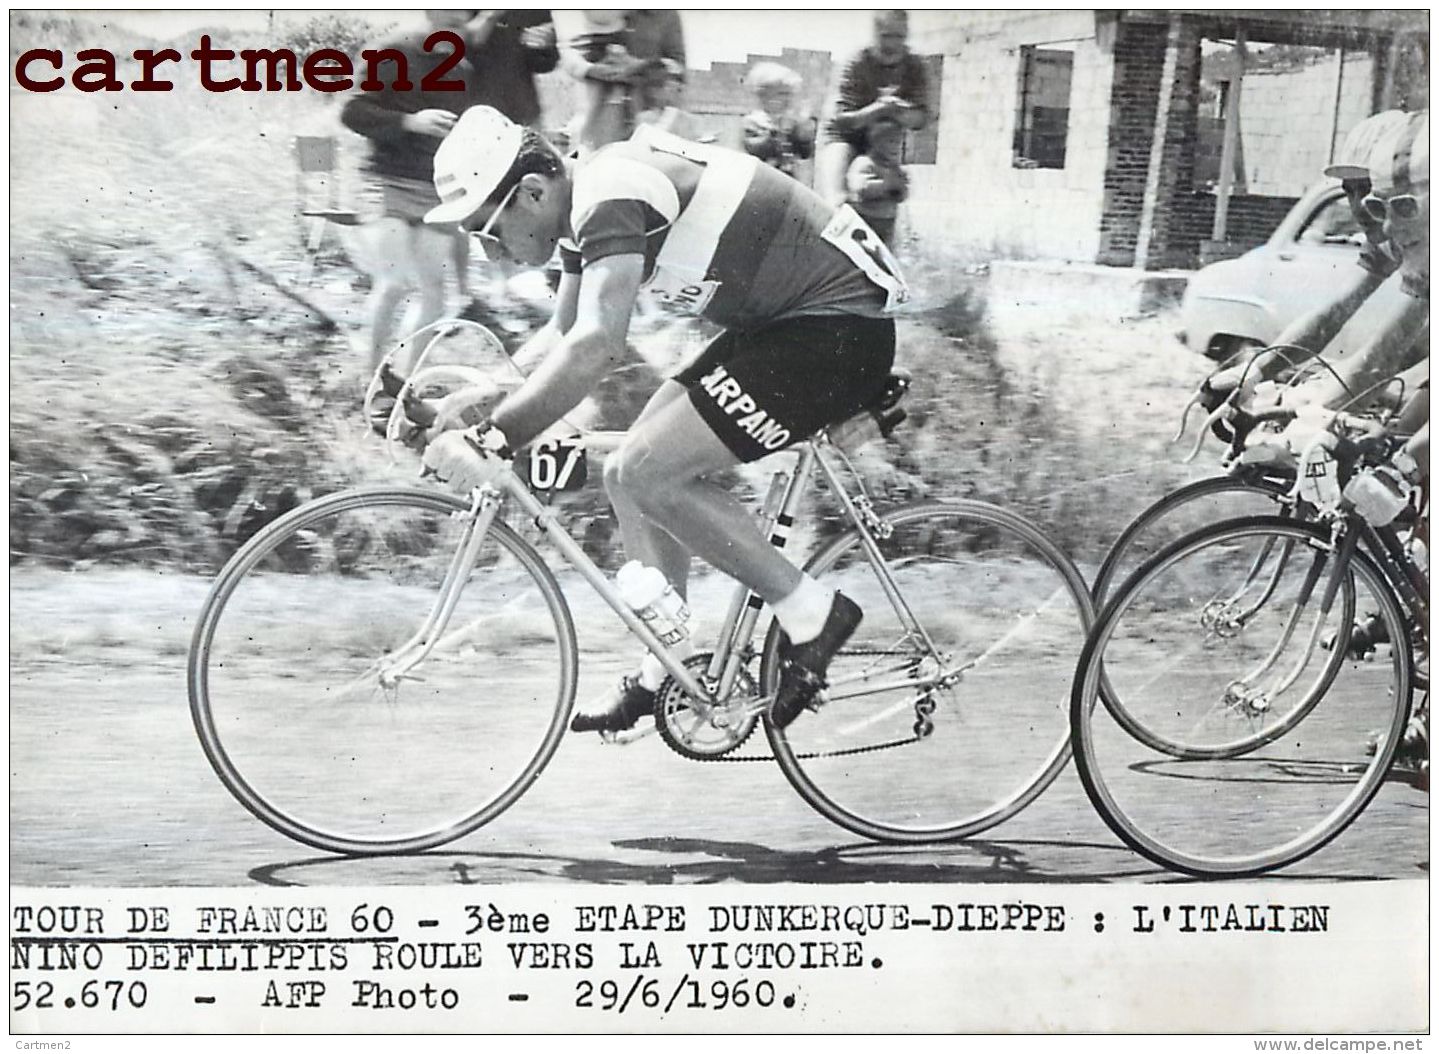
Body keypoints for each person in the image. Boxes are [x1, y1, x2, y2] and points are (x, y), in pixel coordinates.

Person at [414, 107, 910, 733]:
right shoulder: (580, 204)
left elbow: (598, 344)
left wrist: (491, 437)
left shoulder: (608, 193)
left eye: (487, 231)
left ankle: (811, 612)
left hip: (837, 333)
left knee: (648, 470)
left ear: (532, 193)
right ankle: (668, 662)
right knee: (626, 477)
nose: (491, 252)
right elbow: (561, 335)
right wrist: (466, 405)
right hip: (788, 327)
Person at [341, 10, 558, 370]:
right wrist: (409, 122)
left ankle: (401, 382)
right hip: (388, 184)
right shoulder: (393, 49)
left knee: (434, 298)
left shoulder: (465, 67)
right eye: (455, 18)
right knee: (395, 282)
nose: (465, 25)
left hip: (432, 193)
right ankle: (372, 376)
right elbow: (352, 111)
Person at [815, 10, 929, 209]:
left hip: (882, 140)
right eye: (886, 36)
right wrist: (879, 109)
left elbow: (922, 118)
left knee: (888, 195)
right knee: (837, 199)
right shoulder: (856, 63)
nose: (892, 44)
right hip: (843, 136)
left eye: (899, 36)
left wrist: (899, 111)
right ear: (875, 33)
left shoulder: (914, 66)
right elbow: (841, 121)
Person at [555, 10, 687, 152]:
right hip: (599, 113)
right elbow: (571, 53)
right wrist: (596, 69)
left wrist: (640, 67)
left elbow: (677, 69)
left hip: (648, 113)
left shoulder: (664, 14)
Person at [740, 61, 816, 178]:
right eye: (782, 94)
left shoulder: (791, 122)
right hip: (762, 178)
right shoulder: (754, 122)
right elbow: (758, 149)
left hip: (788, 178)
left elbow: (804, 153)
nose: (788, 99)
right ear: (763, 96)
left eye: (790, 94)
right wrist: (780, 131)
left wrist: (803, 132)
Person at [845, 115, 909, 246]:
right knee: (862, 248)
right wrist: (885, 185)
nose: (897, 147)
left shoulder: (895, 169)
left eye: (899, 143)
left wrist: (902, 188)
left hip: (888, 221)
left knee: (884, 250)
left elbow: (902, 196)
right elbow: (859, 187)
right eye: (891, 142)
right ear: (876, 142)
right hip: (866, 217)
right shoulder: (865, 163)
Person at [635, 58, 707, 142]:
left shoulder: (693, 122)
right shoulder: (644, 119)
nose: (672, 90)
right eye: (666, 86)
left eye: (677, 86)